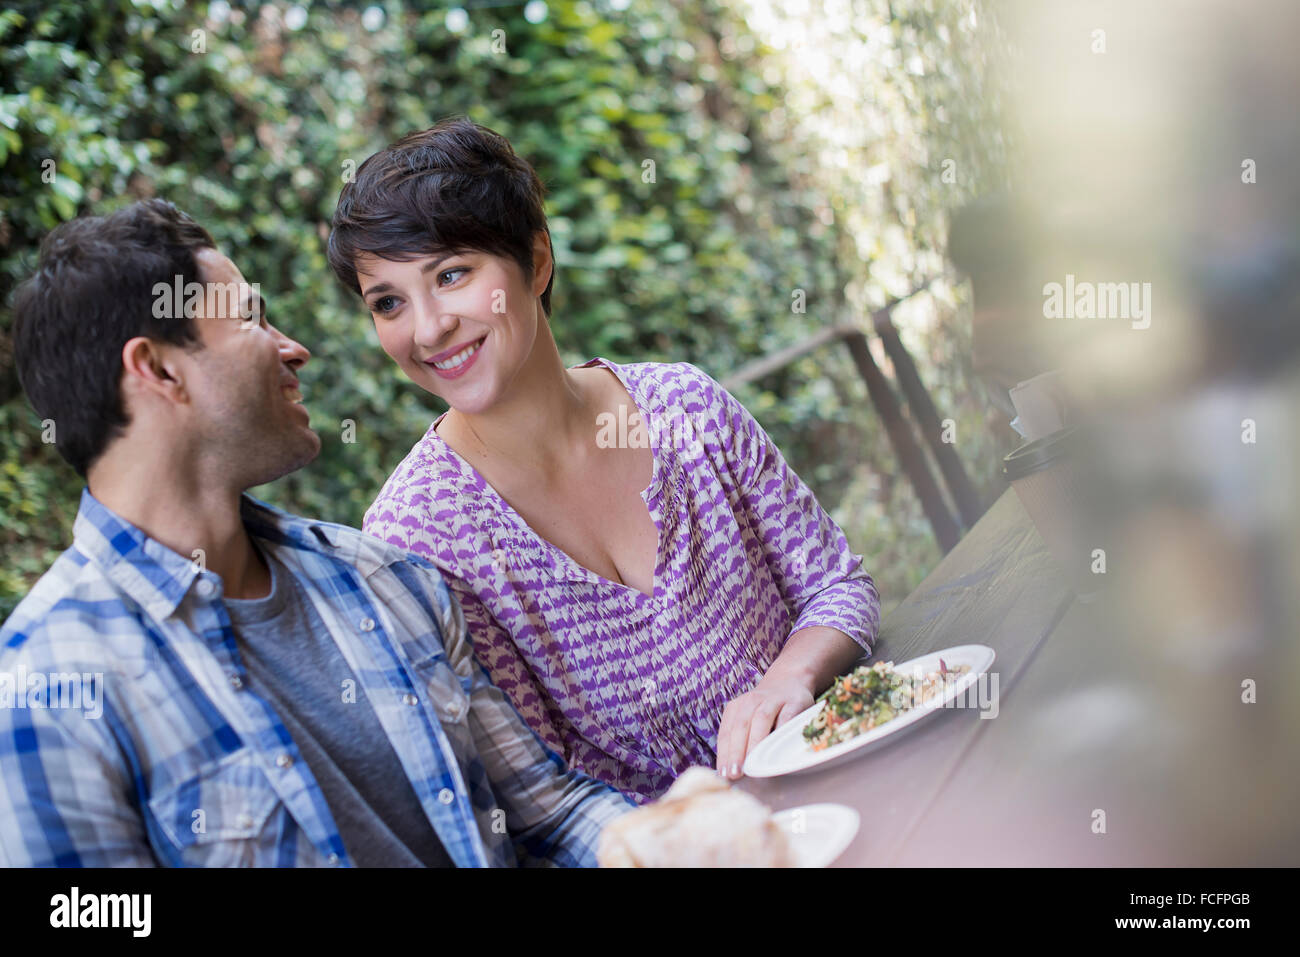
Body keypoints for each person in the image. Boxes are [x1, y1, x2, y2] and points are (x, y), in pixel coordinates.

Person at [0, 199, 632, 867]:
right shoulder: (48, 684)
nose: (292, 347)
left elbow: (552, 813)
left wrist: (677, 835)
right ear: (158, 370)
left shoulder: (387, 582)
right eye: (250, 318)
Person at [328, 117, 882, 803]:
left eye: (451, 274)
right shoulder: (418, 538)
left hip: (857, 778)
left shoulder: (684, 405)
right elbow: (540, 792)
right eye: (388, 302)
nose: (427, 327)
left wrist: (788, 679)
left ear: (536, 261)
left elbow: (837, 583)